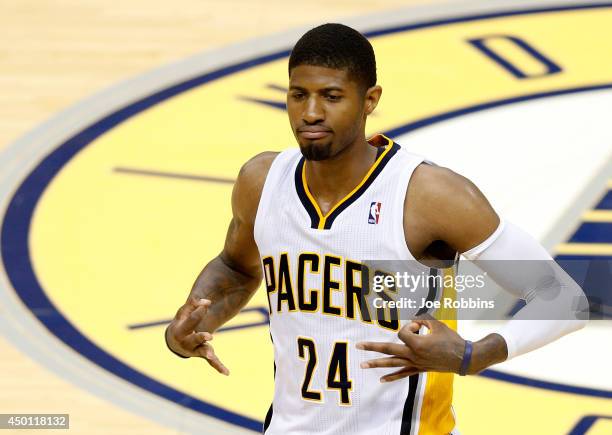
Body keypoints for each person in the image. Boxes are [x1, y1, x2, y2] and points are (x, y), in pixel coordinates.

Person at [165, 23, 588, 435]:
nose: (310, 113)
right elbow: (237, 268)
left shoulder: (429, 194)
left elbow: (564, 298)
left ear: (370, 100)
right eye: (299, 95)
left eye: (331, 97)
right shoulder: (262, 180)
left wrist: (474, 354)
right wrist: (194, 322)